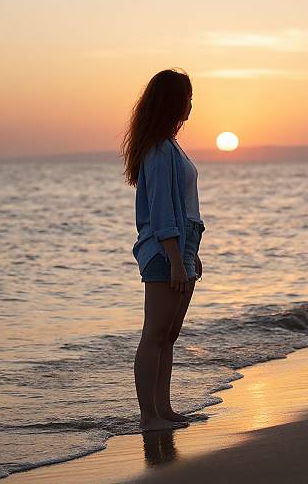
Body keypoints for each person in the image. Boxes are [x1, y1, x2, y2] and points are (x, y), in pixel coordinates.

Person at [120, 68, 205, 431]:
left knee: (168, 335)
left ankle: (164, 409)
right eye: (187, 95)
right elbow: (161, 210)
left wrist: (190, 254)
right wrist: (173, 258)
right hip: (163, 251)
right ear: (173, 101)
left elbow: (184, 206)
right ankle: (148, 416)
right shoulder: (158, 150)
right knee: (154, 333)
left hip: (181, 248)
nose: (191, 103)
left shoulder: (170, 147)